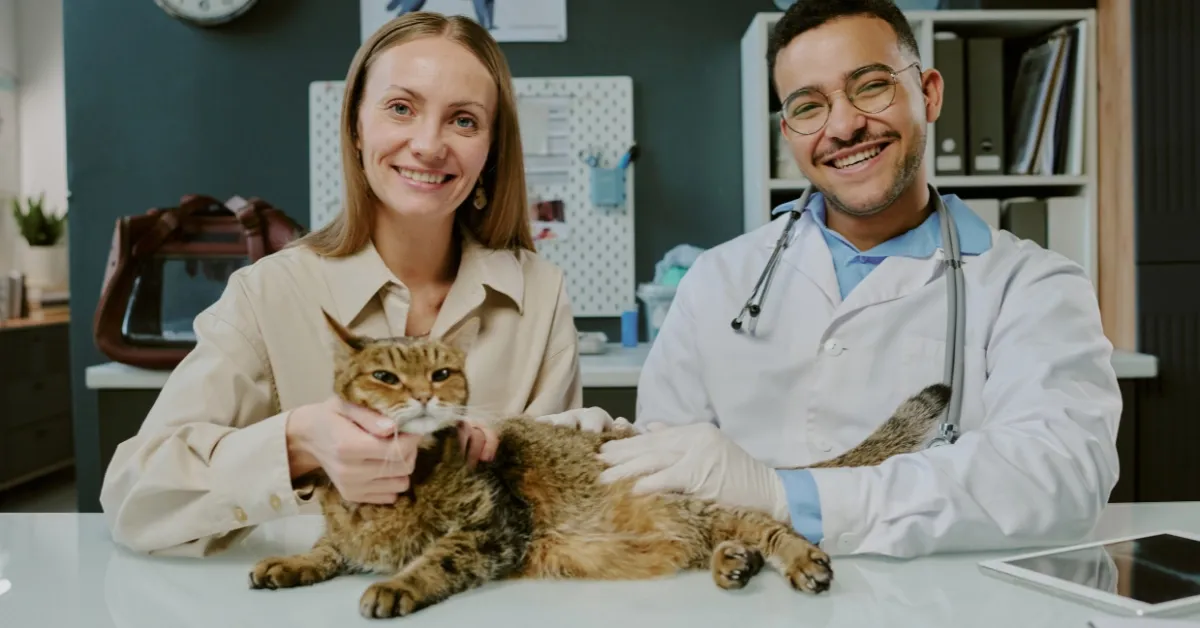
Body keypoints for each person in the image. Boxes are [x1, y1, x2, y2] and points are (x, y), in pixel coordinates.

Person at [595, 0, 1122, 559]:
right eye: (808, 106)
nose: (844, 126)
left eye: (871, 87)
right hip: (752, 590)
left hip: (947, 598)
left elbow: (1059, 477)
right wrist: (593, 443)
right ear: (788, 132)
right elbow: (664, 470)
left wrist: (785, 496)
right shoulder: (716, 279)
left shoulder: (1034, 285)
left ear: (930, 94)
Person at [100, 12, 591, 557]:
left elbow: (562, 505)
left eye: (464, 120)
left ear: (491, 149)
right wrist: (297, 444)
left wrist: (514, 448)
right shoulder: (268, 294)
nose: (429, 145)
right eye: (401, 108)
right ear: (356, 126)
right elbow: (131, 499)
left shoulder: (540, 295)